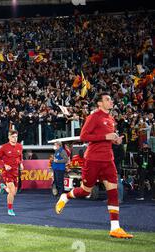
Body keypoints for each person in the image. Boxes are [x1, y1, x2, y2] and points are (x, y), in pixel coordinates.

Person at [55, 92, 133, 239]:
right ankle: (65, 196)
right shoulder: (93, 117)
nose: (111, 101)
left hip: (108, 159)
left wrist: (115, 140)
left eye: (110, 99)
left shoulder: (110, 118)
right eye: (107, 99)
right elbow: (84, 136)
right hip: (93, 159)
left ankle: (115, 228)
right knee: (85, 191)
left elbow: (108, 138)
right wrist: (105, 137)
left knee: (113, 191)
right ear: (99, 103)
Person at [0, 130, 24, 216]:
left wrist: (21, 164)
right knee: (11, 192)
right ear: (9, 137)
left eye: (16, 137)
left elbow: (20, 157)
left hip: (15, 172)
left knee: (14, 193)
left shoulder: (19, 146)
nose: (15, 138)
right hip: (7, 172)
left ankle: (3, 187)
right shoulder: (4, 147)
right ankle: (10, 209)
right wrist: (4, 165)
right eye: (13, 137)